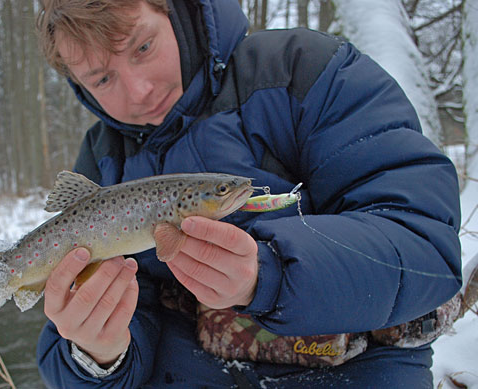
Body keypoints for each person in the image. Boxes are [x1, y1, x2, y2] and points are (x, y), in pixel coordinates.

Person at [34, 0, 462, 387]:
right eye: (103, 78)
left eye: (143, 48)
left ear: (176, 12)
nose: (138, 90)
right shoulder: (102, 159)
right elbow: (66, 346)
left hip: (356, 371)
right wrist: (97, 354)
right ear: (80, 87)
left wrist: (270, 274)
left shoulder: (304, 70)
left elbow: (426, 249)